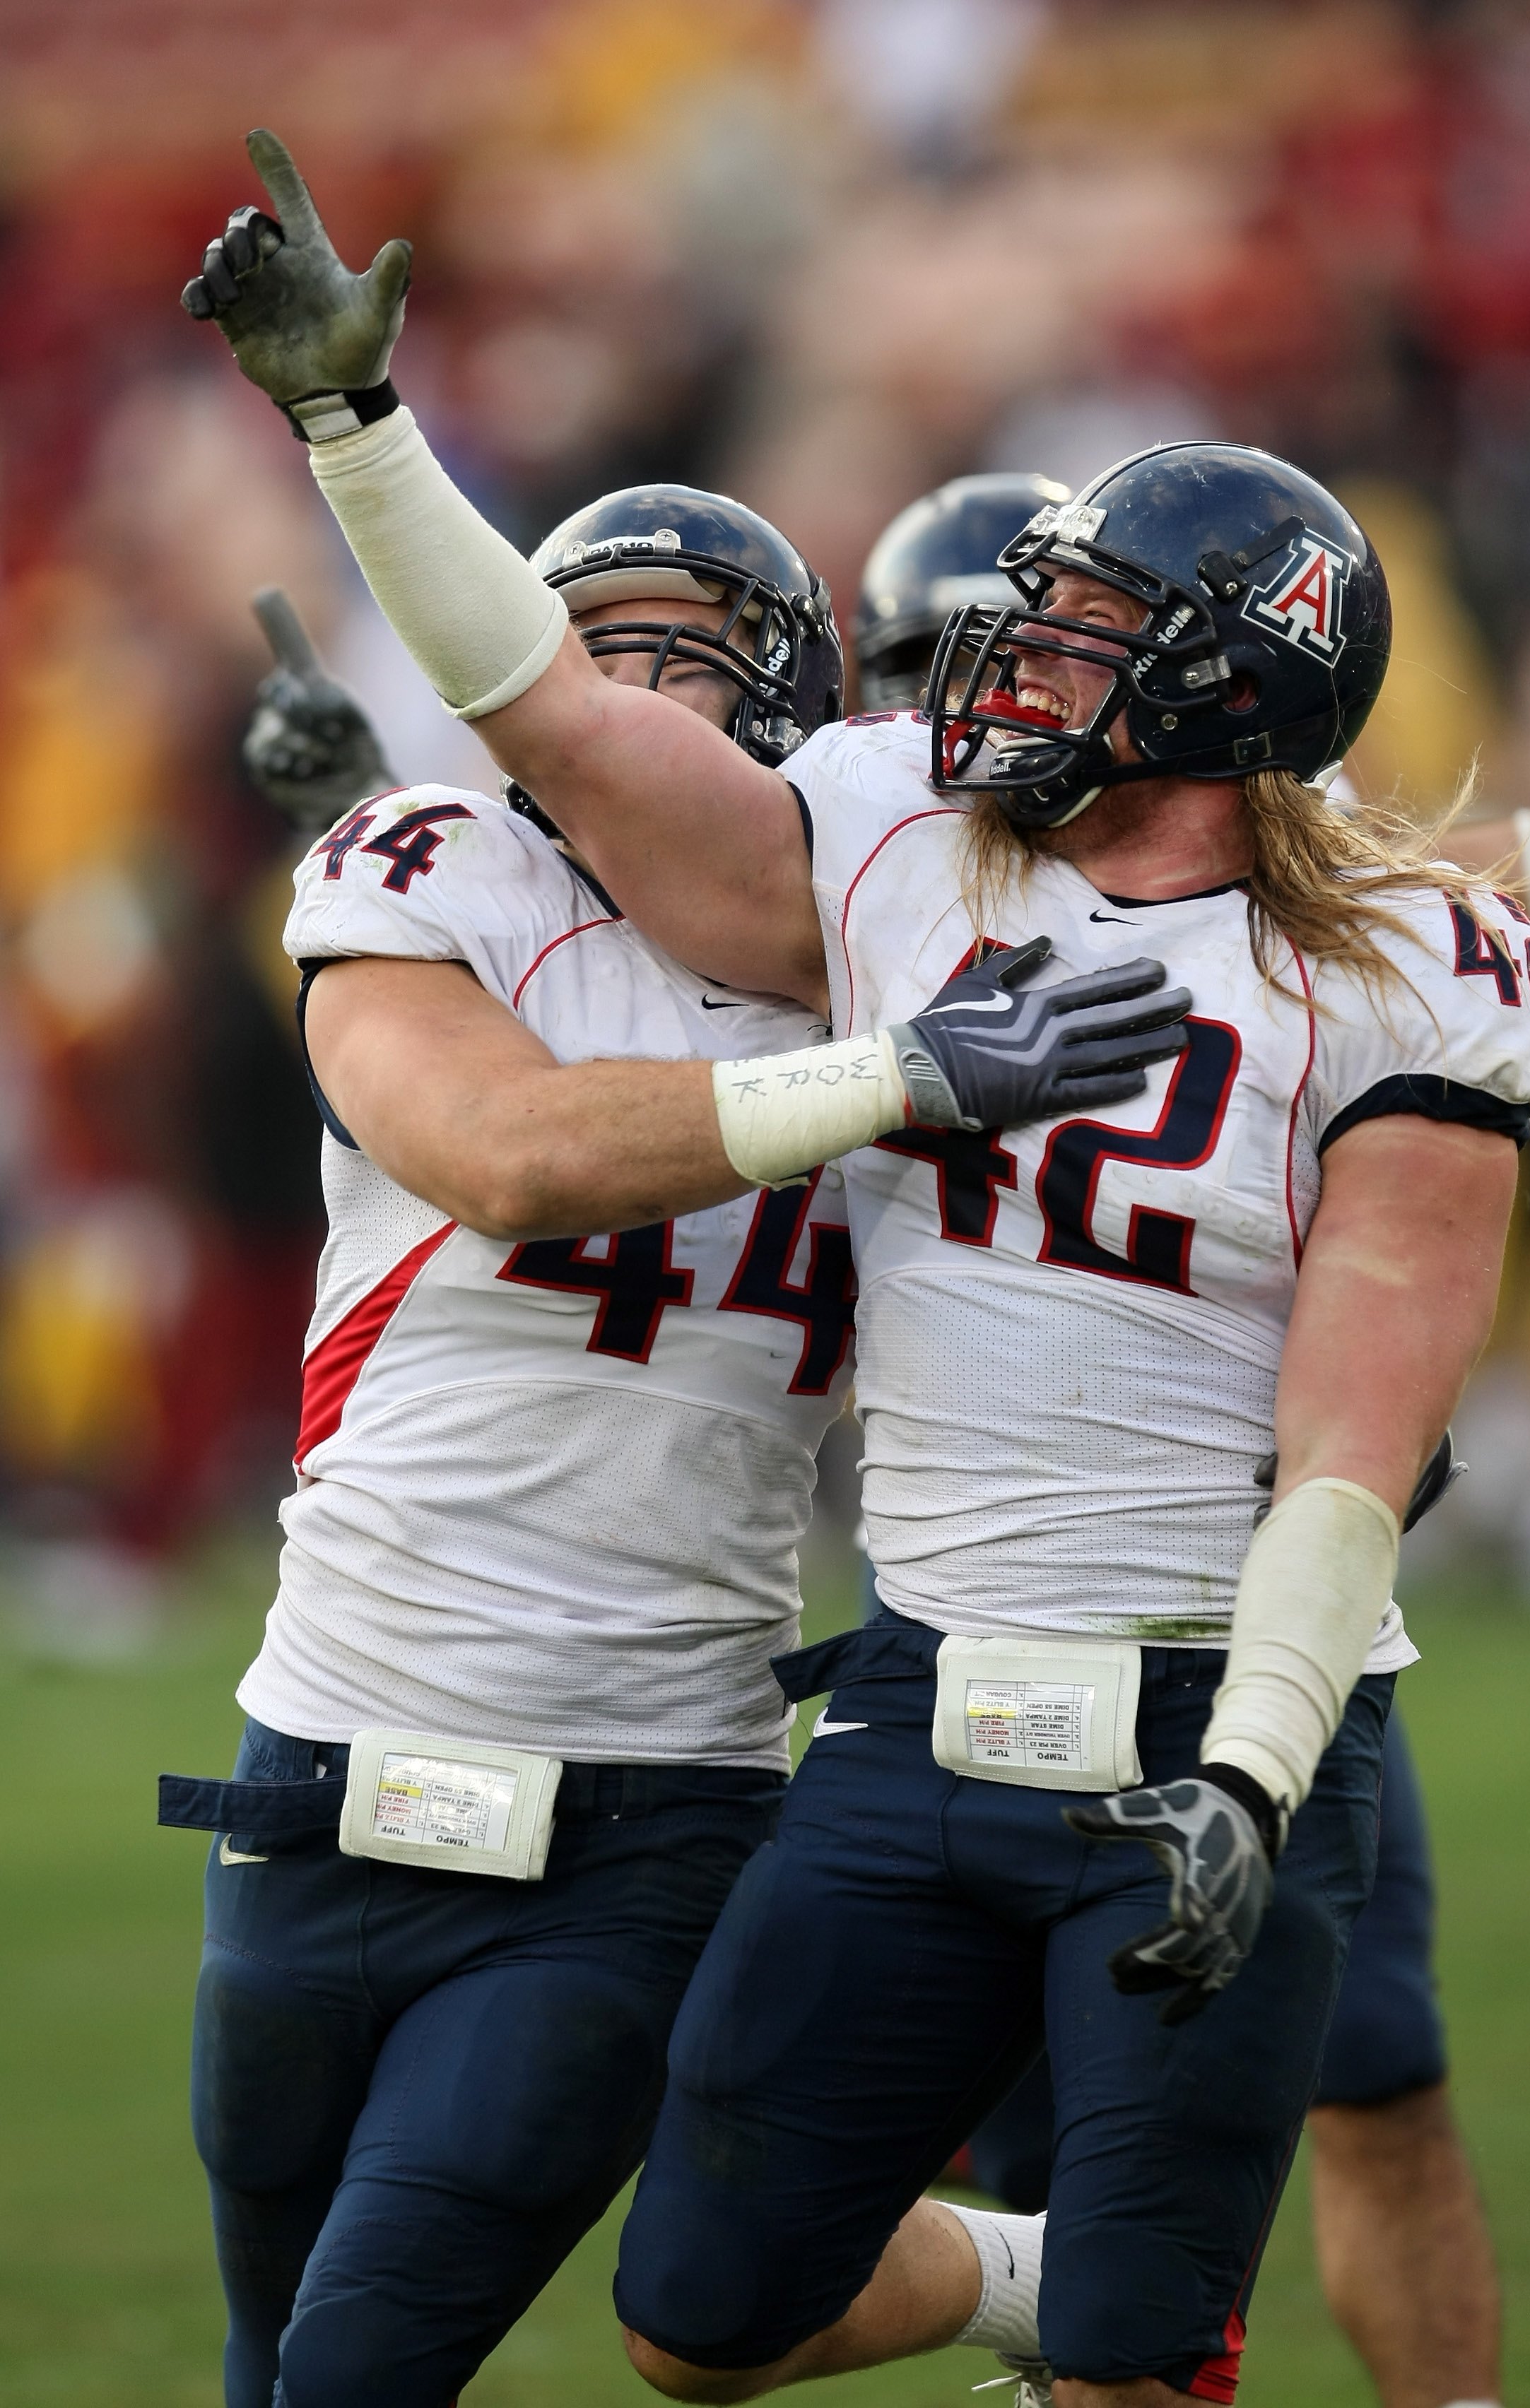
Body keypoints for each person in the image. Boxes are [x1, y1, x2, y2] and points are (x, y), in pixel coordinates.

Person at [181, 136, 1530, 2407]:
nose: (1017, 663)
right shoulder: (900, 843)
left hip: (1208, 1708)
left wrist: (1262, 1768)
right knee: (695, 2321)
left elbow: (1357, 1426)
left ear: (1228, 689)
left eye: (1097, 632)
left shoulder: (1406, 965)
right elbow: (557, 719)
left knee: (1130, 2360)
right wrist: (362, 434)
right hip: (906, 1713)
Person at [157, 466, 1189, 2408]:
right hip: (313, 1771)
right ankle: (1059, 2278)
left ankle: (1098, 2273)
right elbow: (509, 1154)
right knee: (261, 2357)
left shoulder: (901, 942)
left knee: (350, 2374)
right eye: (589, 643)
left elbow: (1134, 1230)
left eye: (685, 654)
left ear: (783, 714)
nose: (627, 682)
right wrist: (898, 1080)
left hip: (633, 1812)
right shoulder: (429, 862)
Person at [852, 474, 1500, 2408]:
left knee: (1370, 2078)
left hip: (1244, 1633)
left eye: (1064, 636)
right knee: (1002, 2171)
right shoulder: (865, 880)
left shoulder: (1346, 908)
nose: (981, 696)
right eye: (942, 652)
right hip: (961, 1640)